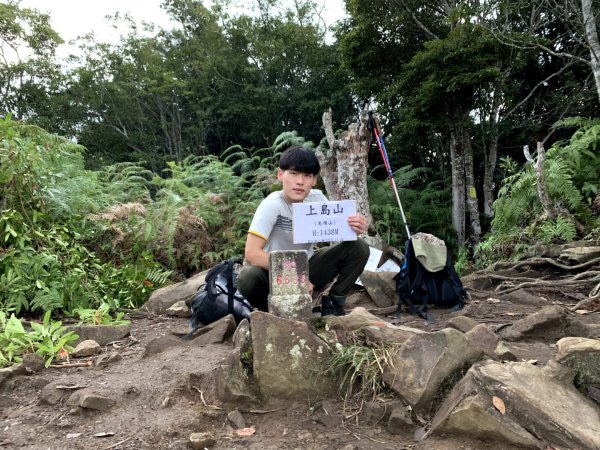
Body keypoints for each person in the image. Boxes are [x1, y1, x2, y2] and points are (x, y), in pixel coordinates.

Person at [237, 146, 370, 316]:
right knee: (248, 275)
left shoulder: (316, 199)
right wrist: (295, 276)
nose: (300, 182)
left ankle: (334, 302)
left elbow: (336, 230)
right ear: (280, 175)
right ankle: (271, 310)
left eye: (307, 175)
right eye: (293, 173)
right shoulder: (271, 205)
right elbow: (252, 253)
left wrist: (354, 227)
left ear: (314, 180)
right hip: (274, 273)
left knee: (358, 246)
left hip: (308, 266)